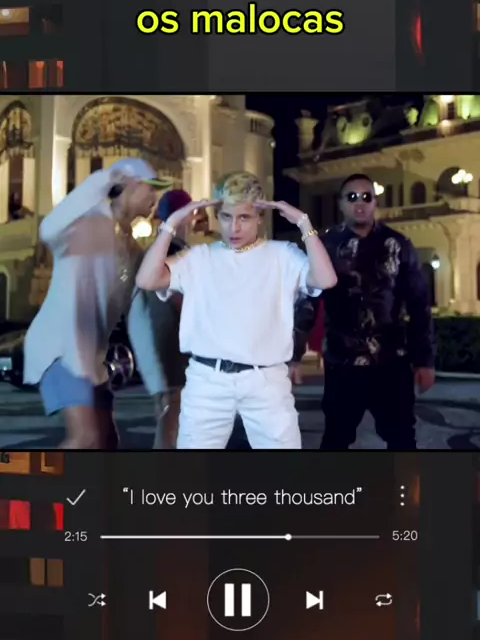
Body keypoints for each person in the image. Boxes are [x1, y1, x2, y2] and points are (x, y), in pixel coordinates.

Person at [136, 171, 337, 449]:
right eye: (226, 217)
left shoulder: (282, 254)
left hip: (266, 380)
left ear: (259, 217)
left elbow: (326, 280)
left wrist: (304, 223)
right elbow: (146, 280)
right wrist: (170, 225)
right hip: (208, 379)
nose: (234, 228)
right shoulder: (199, 257)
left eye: (244, 217)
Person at [23, 158, 168, 449]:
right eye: (150, 188)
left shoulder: (134, 251)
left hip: (91, 357)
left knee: (107, 440)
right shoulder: (86, 223)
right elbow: (48, 228)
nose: (155, 197)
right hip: (59, 348)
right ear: (128, 185)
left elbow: (138, 322)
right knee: (86, 438)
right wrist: (105, 179)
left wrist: (157, 387)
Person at [316, 173, 435, 450]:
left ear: (375, 203)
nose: (359, 203)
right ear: (341, 203)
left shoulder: (398, 245)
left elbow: (419, 305)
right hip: (343, 363)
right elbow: (307, 302)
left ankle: (403, 482)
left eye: (366, 197)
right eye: (352, 197)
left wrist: (425, 361)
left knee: (402, 440)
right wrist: (294, 356)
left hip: (392, 363)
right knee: (335, 439)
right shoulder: (325, 246)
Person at [130, 189, 194, 449]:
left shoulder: (160, 249)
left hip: (164, 344)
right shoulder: (172, 250)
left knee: (173, 417)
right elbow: (179, 300)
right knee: (172, 417)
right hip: (171, 345)